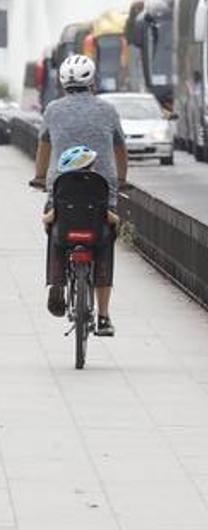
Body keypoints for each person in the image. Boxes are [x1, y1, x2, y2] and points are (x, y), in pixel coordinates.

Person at [29, 54, 126, 336]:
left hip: (62, 187)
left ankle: (57, 283)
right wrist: (121, 179)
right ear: (92, 81)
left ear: (61, 82)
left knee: (54, 228)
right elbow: (120, 149)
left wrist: (39, 177)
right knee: (105, 239)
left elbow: (44, 148)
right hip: (101, 189)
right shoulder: (108, 110)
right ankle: (104, 316)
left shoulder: (52, 110)